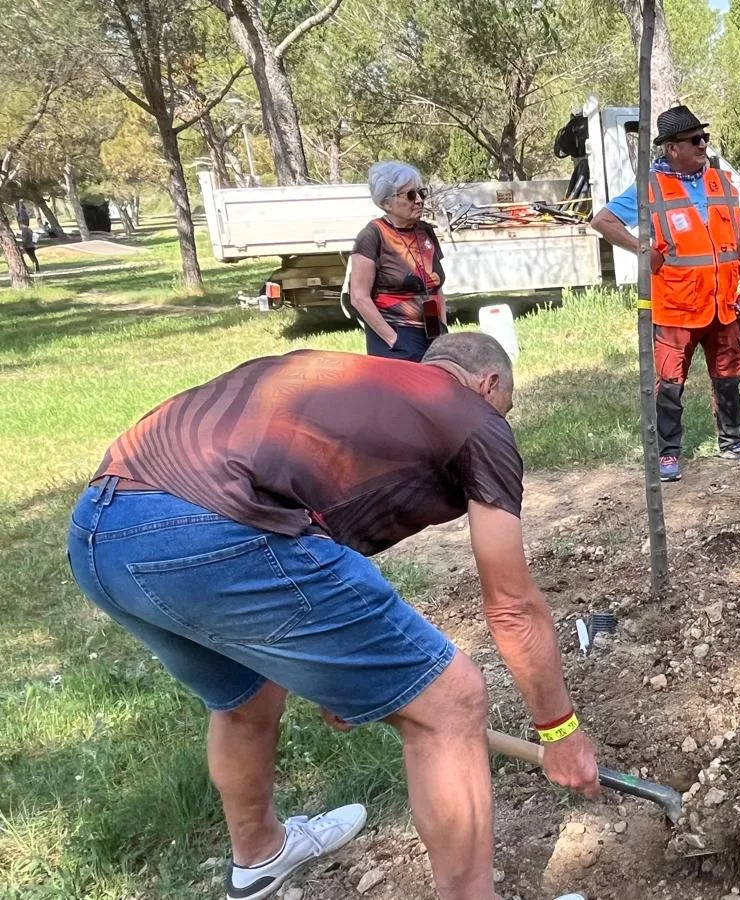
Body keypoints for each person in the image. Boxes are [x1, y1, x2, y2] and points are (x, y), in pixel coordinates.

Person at [66, 333, 602, 900]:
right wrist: (559, 731)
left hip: (101, 534)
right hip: (205, 532)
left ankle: (260, 856)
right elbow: (513, 607)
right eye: (506, 408)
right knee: (450, 701)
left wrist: (337, 674)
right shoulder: (473, 418)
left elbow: (297, 522)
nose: (503, 422)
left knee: (246, 696)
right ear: (488, 383)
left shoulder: (351, 388)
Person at [590, 105, 740, 482]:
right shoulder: (650, 186)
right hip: (676, 308)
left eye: (704, 137)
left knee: (729, 375)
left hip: (723, 305)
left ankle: (734, 440)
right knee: (670, 384)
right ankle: (668, 453)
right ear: (671, 148)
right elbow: (603, 221)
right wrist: (643, 249)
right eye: (695, 140)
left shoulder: (721, 181)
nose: (703, 144)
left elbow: (737, 236)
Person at [347, 161, 449, 362]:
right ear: (386, 203)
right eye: (410, 195)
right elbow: (358, 297)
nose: (419, 200)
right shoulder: (372, 235)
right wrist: (393, 340)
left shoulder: (425, 230)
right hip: (397, 340)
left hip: (434, 334)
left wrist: (443, 329)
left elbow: (436, 286)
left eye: (422, 193)